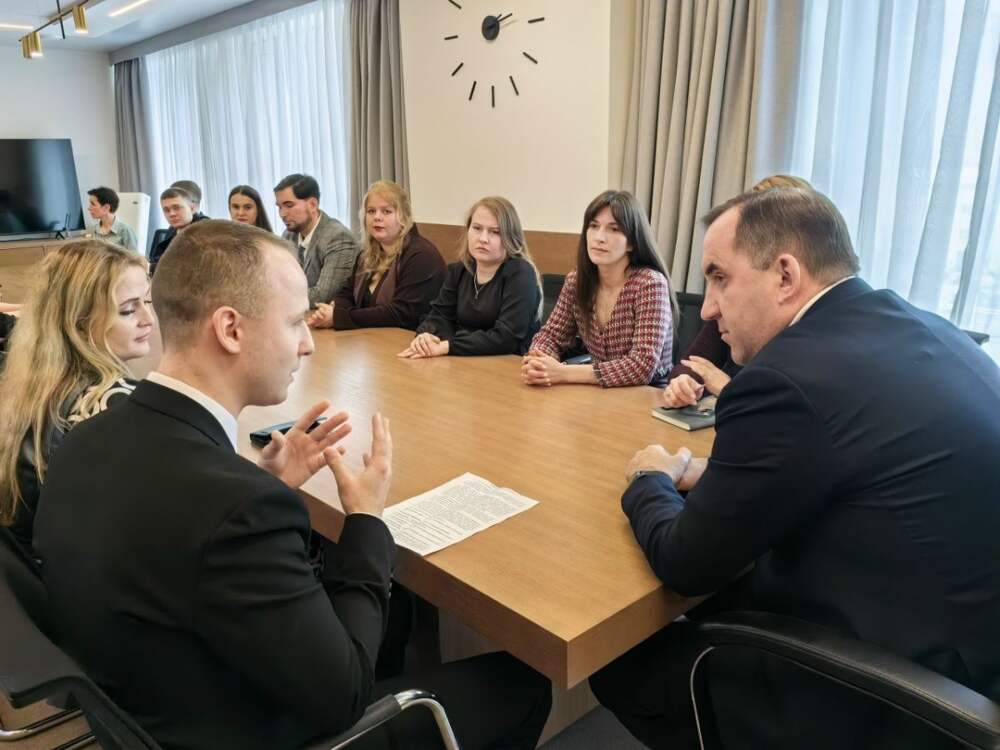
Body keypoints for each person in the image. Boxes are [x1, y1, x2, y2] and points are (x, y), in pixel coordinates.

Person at [34, 220, 551, 750]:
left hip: (151, 702)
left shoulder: (86, 439)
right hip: (245, 727)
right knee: (523, 686)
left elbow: (186, 539)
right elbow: (344, 694)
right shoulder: (234, 505)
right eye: (294, 321)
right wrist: (365, 518)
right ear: (230, 329)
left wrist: (268, 484)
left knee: (390, 607)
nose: (307, 344)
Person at [590, 187, 1000, 749]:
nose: (706, 308)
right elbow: (852, 458)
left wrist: (650, 477)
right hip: (971, 657)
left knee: (619, 661)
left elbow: (684, 563)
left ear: (785, 275)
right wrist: (715, 470)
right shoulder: (924, 327)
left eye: (719, 277)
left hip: (895, 696)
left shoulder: (784, 378)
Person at [0, 240, 153, 554]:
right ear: (78, 323)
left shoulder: (34, 383)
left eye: (147, 302)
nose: (147, 318)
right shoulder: (114, 401)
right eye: (128, 309)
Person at [662, 174, 812, 408]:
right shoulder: (730, 307)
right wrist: (684, 383)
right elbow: (691, 365)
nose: (707, 311)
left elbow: (784, 410)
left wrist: (729, 388)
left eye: (721, 278)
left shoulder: (810, 329)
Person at [522, 190, 676, 388]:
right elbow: (551, 335)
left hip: (647, 393)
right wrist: (540, 361)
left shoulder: (650, 284)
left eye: (614, 229)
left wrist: (563, 373)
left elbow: (642, 366)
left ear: (632, 242)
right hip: (598, 390)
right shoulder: (577, 280)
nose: (600, 237)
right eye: (594, 226)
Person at [400, 196, 541, 357]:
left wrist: (448, 346)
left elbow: (506, 338)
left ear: (510, 237)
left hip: (508, 364)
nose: (483, 239)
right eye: (477, 228)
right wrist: (425, 336)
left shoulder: (521, 273)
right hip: (462, 360)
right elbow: (438, 316)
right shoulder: (460, 270)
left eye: (495, 232)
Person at [309, 180, 445, 331]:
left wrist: (339, 317)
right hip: (370, 338)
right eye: (371, 211)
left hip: (410, 339)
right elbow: (346, 292)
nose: (377, 217)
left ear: (404, 217)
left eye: (387, 211)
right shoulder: (366, 254)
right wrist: (334, 309)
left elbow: (401, 314)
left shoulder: (421, 256)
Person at [274, 173, 360, 307]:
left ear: (313, 204)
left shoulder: (338, 237)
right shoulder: (288, 235)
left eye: (289, 205)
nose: (282, 214)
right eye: (279, 207)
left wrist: (274, 298)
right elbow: (277, 280)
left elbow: (322, 296)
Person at [148, 186, 206, 274]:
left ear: (192, 208)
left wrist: (151, 267)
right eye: (166, 210)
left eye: (176, 208)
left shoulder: (205, 228)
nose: (171, 214)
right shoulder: (172, 230)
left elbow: (186, 265)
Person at [86, 186, 139, 252]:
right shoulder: (91, 230)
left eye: (93, 204)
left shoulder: (125, 230)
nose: (89, 208)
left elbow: (134, 257)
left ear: (106, 208)